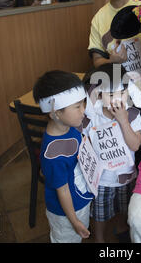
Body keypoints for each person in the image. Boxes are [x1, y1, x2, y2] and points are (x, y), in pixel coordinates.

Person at [83, 63, 141, 243]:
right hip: (101, 179)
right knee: (100, 214)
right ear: (99, 95)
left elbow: (135, 146)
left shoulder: (132, 115)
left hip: (126, 175)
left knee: (123, 208)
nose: (117, 99)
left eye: (122, 93)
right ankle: (99, 239)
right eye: (110, 95)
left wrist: (123, 121)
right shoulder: (92, 116)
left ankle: (121, 228)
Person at [33, 70, 94, 243]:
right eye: (77, 107)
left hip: (80, 200)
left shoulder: (70, 127)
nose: (84, 110)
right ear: (55, 113)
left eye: (83, 103)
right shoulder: (54, 155)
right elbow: (63, 190)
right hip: (66, 214)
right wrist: (74, 221)